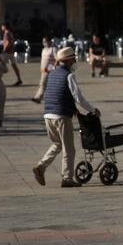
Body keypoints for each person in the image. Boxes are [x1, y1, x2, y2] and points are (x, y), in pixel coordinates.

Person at [32, 47, 100, 188]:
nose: (75, 60)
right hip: (61, 116)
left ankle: (41, 166)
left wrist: (73, 109)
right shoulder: (69, 76)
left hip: (48, 115)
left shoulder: (52, 74)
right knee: (69, 149)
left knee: (57, 144)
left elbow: (59, 93)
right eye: (73, 58)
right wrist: (93, 110)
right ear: (68, 60)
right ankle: (67, 178)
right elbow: (78, 97)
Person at [32, 36, 56, 103]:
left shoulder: (53, 49)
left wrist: (52, 68)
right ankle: (39, 97)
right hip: (43, 70)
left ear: (49, 41)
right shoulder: (44, 50)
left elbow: (57, 59)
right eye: (43, 42)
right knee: (44, 84)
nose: (44, 43)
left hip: (49, 71)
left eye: (45, 41)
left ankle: (38, 97)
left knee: (42, 84)